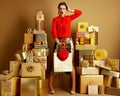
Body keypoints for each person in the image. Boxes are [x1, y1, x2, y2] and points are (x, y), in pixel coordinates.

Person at [49, 2, 82, 94]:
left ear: (65, 9)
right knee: (54, 63)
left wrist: (70, 10)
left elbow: (79, 13)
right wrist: (57, 42)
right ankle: (50, 86)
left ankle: (73, 87)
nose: (62, 10)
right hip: (58, 42)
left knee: (70, 64)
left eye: (64, 9)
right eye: (60, 9)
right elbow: (53, 31)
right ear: (58, 10)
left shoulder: (69, 17)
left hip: (68, 42)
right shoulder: (55, 19)